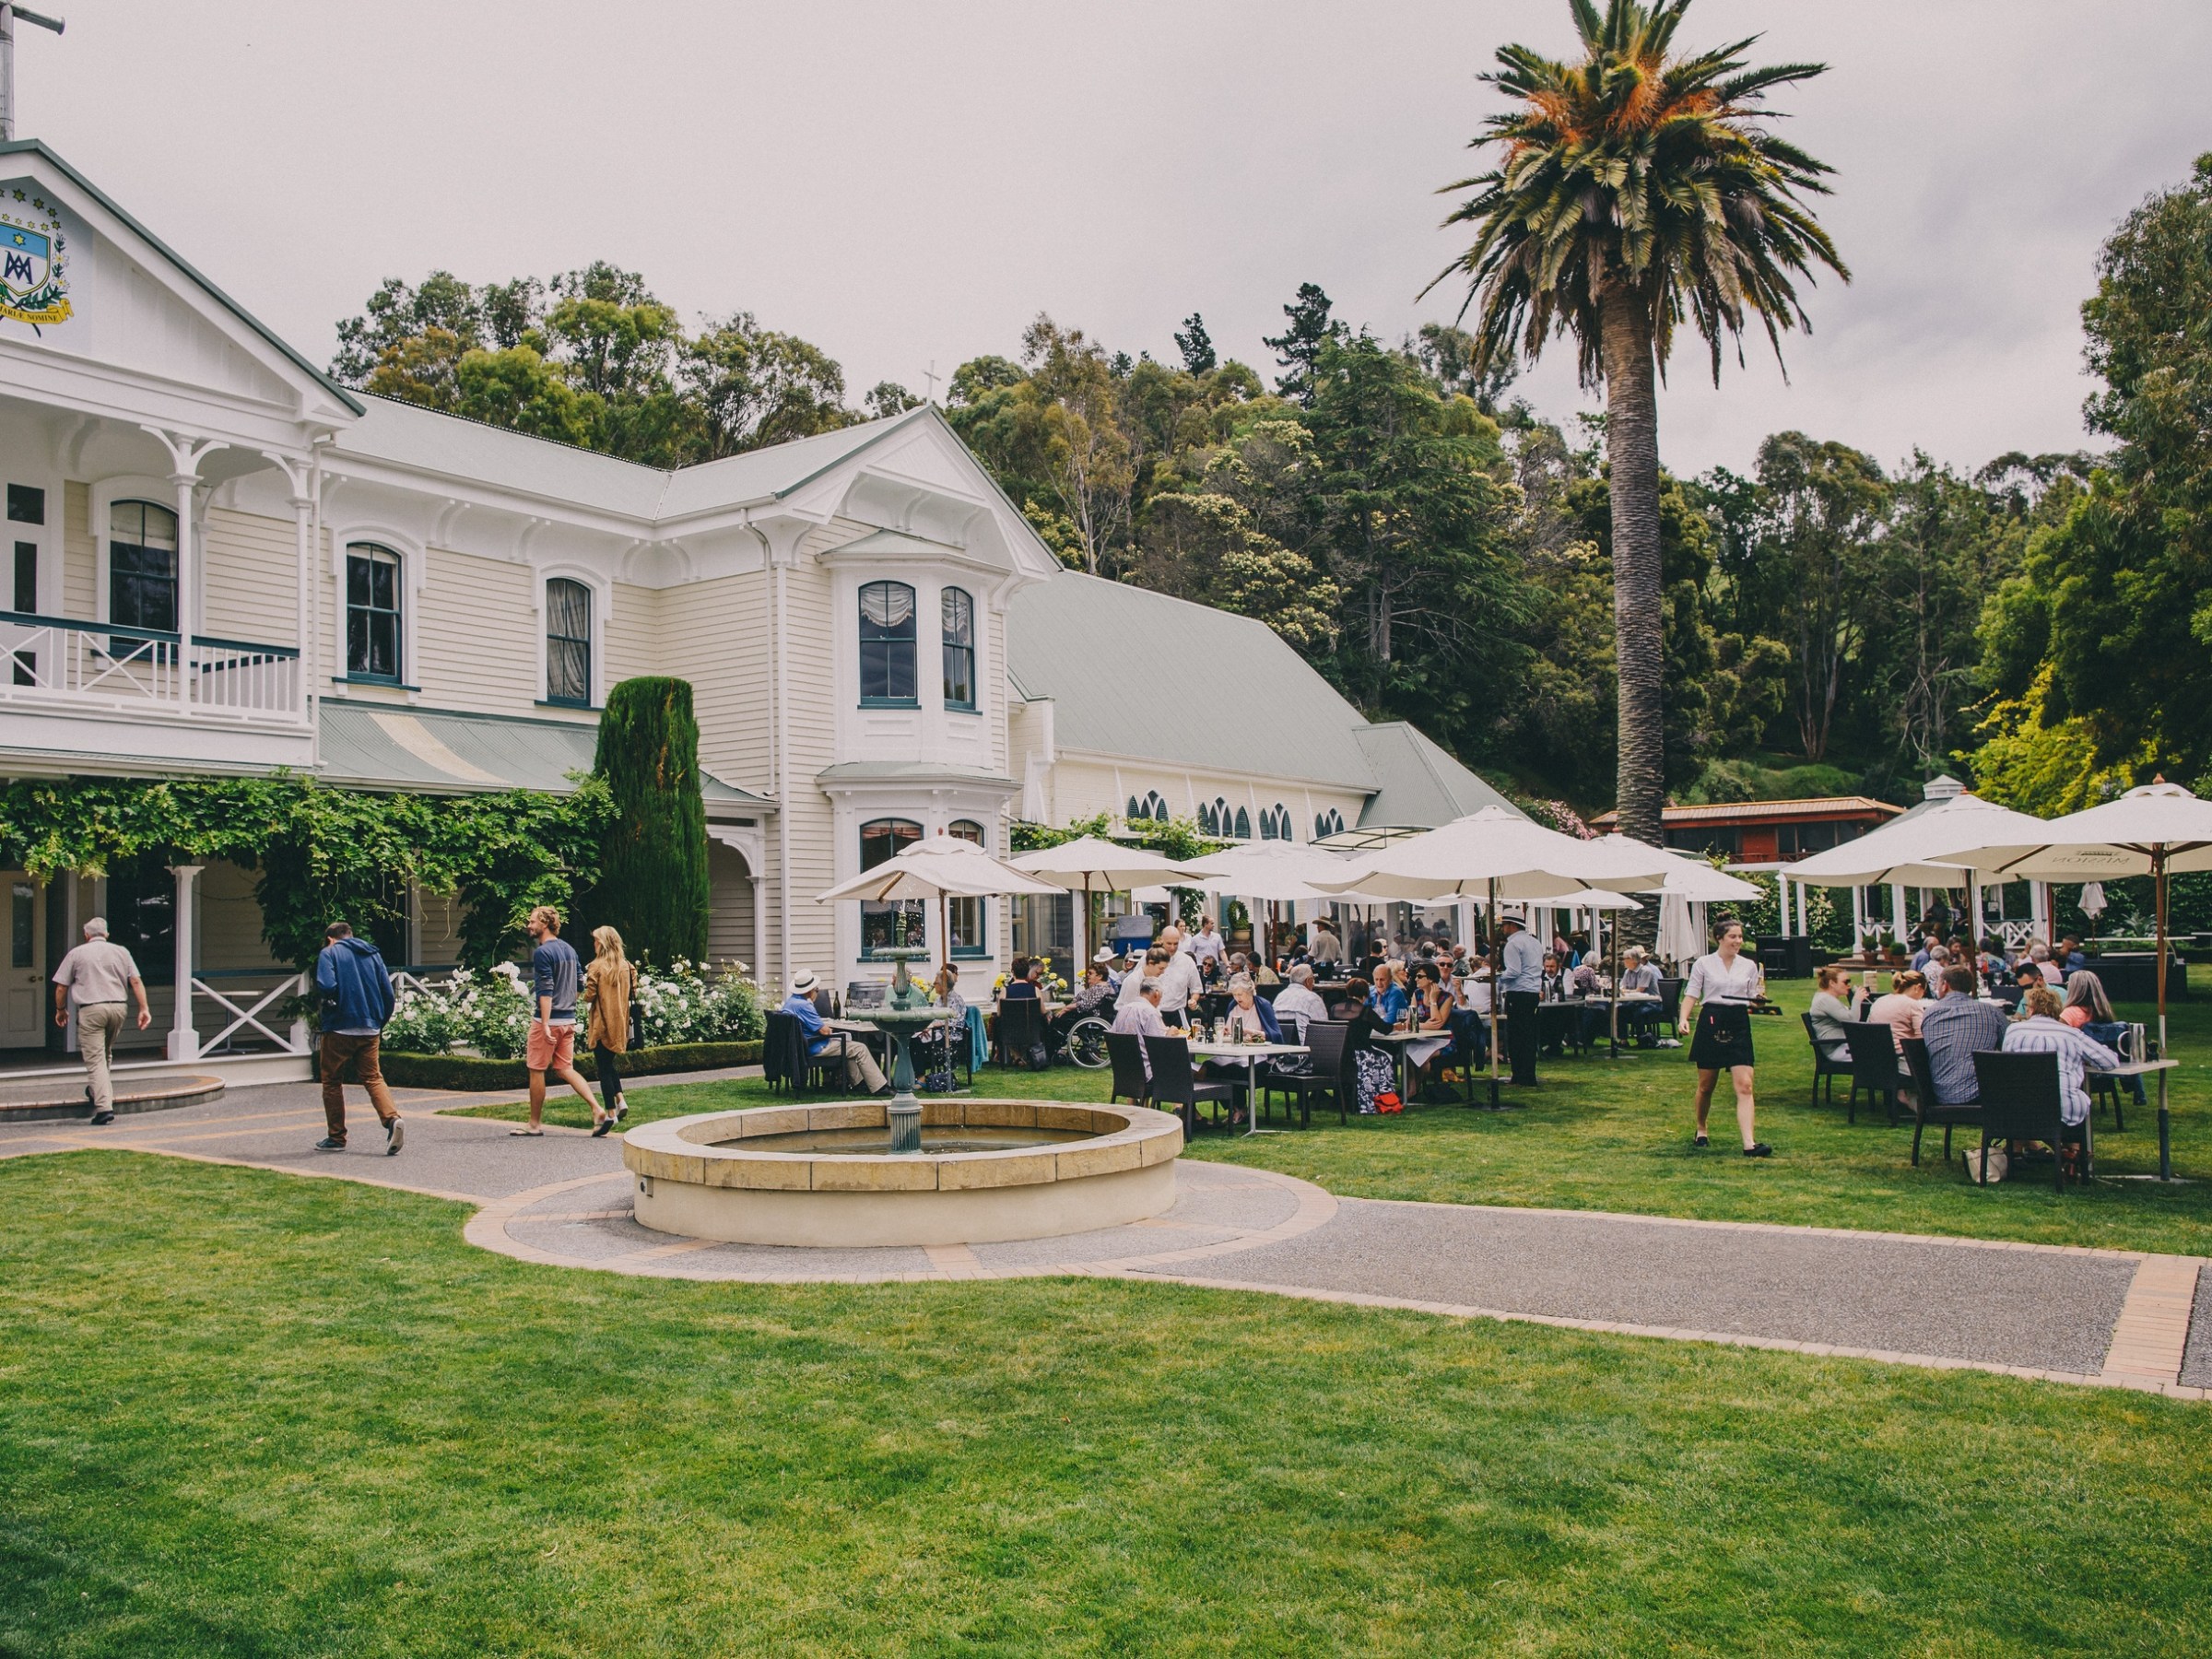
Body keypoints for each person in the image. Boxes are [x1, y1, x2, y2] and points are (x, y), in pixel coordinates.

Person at [1677, 916, 1771, 1157]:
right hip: (1712, 1019)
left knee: (1745, 1085)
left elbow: (1752, 998)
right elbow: (1692, 994)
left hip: (1738, 1021)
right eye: (1733, 937)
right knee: (1706, 1086)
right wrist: (1683, 1018)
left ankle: (1749, 1144)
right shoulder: (1703, 964)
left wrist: (1758, 1002)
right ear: (1719, 938)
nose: (1738, 941)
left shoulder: (1749, 965)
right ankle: (1701, 1128)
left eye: (1740, 937)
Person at [310, 920, 405, 1154]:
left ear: (331, 938)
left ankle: (336, 1137)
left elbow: (326, 984)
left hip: (340, 1026)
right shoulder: (373, 954)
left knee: (332, 1081)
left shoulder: (329, 952)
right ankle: (392, 1119)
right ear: (350, 935)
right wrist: (378, 1022)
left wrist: (331, 1003)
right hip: (370, 1027)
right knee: (373, 1077)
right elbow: (387, 993)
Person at [49, 916, 152, 1127]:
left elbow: (61, 987)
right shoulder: (122, 951)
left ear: (86, 935)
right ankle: (97, 1089)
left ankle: (104, 1109)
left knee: (95, 1059)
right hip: (118, 1007)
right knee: (104, 1053)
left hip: (92, 1009)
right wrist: (144, 1008)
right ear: (106, 934)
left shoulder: (77, 953)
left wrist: (61, 1010)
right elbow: (135, 980)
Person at [510, 905, 601, 1135]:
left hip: (547, 1022)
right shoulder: (569, 950)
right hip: (568, 1020)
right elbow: (580, 984)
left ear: (545, 923)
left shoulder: (542, 952)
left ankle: (534, 1124)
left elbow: (546, 990)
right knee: (565, 1068)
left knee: (536, 1069)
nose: (529, 926)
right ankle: (597, 1108)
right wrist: (568, 1007)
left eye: (532, 922)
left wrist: (546, 1023)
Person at [2002, 983, 2120, 1138]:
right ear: (2058, 1010)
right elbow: (2109, 1061)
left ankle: (2018, 1153)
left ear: (2030, 1009)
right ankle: (2071, 1153)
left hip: (2018, 1109)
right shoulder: (2072, 1034)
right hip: (2063, 1109)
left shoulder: (2013, 1031)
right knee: (2071, 1099)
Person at [782, 969, 888, 1094]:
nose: (817, 992)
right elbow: (825, 1032)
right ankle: (879, 1087)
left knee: (850, 1047)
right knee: (860, 1048)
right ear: (810, 990)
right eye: (816, 989)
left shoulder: (790, 1003)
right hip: (815, 1046)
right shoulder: (805, 1006)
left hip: (800, 1046)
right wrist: (829, 1029)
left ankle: (859, 1084)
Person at [1918, 963, 2009, 1106]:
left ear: (1945, 985)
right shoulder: (1992, 1012)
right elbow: (2008, 1047)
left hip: (1940, 1092)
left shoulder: (1929, 1013)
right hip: (1982, 1093)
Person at [581, 925, 637, 1137]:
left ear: (603, 943)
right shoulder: (628, 967)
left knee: (603, 1069)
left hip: (602, 1023)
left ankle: (610, 1113)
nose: (593, 944)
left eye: (596, 941)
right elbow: (633, 991)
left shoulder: (596, 966)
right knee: (608, 1064)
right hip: (620, 1024)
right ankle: (620, 1100)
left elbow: (589, 996)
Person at [1117, 935, 1200, 1027]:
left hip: (1176, 1012)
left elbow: (1195, 987)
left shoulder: (1185, 962)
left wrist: (1193, 1000)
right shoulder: (1139, 971)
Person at [1108, 975, 1170, 1077]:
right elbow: (1159, 1047)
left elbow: (1112, 1035)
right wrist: (1169, 1034)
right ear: (1157, 994)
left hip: (1124, 1074)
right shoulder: (1150, 1012)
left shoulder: (1123, 1009)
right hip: (1148, 1073)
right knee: (1193, 1069)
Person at [1868, 970, 1930, 1055]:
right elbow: (1921, 1038)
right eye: (1924, 992)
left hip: (1876, 1054)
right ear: (1918, 987)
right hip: (1902, 1056)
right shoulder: (1913, 1004)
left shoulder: (1879, 1001)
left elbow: (1868, 1027)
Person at [1806, 963, 1856, 1065]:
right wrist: (1857, 1000)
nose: (1848, 985)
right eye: (1845, 982)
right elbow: (1852, 1020)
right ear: (1832, 983)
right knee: (1881, 1055)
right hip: (1836, 1049)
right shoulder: (1825, 1000)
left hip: (1844, 1045)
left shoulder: (1829, 999)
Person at [1618, 947, 1664, 1046]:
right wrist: (1625, 990)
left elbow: (1640, 990)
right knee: (1619, 1010)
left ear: (1633, 960)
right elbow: (1621, 987)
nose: (1623, 961)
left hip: (1652, 1003)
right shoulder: (1627, 971)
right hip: (1636, 1002)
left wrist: (1625, 991)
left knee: (1639, 1012)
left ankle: (1642, 1039)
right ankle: (1623, 1040)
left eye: (1626, 959)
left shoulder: (1646, 971)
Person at [1272, 962, 1328, 1029]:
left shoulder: (1280, 996)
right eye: (1313, 979)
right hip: (1304, 1038)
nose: (1313, 984)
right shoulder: (1313, 999)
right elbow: (1324, 1028)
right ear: (1308, 981)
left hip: (1280, 1038)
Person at [1366, 961, 1408, 1027]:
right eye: (1376, 979)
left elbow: (1391, 1020)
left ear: (1390, 979)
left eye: (1382, 980)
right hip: (1376, 1032)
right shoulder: (1370, 991)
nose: (1379, 983)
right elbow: (1363, 1015)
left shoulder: (1396, 992)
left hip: (1394, 1034)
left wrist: (1372, 1025)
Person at [1188, 916, 1229, 980]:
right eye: (1212, 923)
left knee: (1215, 987)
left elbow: (1222, 952)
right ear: (1205, 924)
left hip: (1214, 966)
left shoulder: (1217, 937)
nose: (1214, 925)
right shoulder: (1195, 939)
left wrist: (1227, 966)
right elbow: (1191, 954)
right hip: (1202, 967)